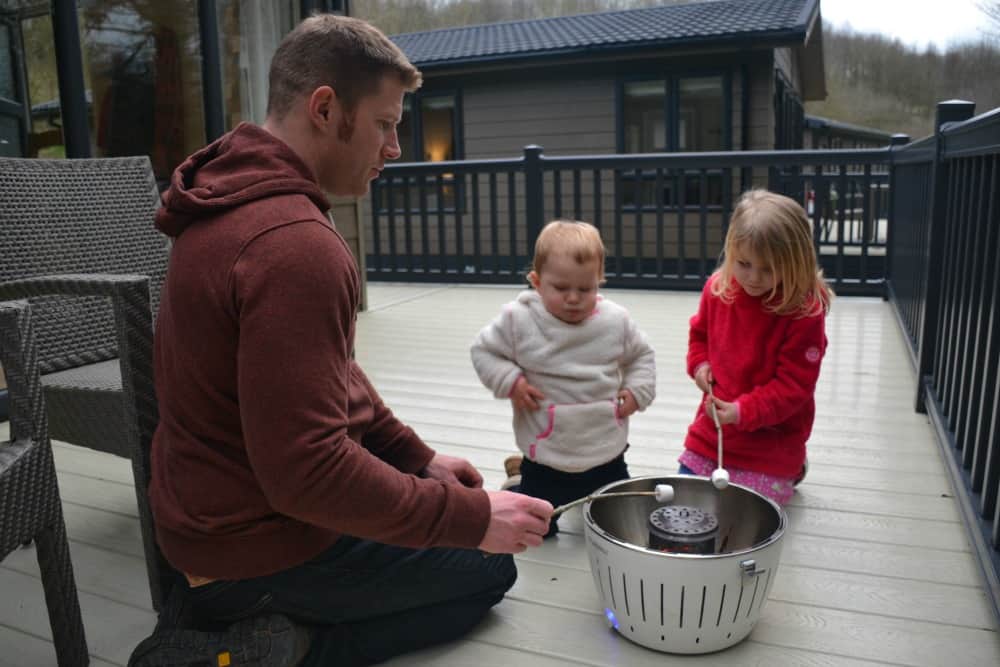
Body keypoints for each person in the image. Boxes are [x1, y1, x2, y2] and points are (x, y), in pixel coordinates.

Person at [130, 14, 552, 667]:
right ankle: (270, 647)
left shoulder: (224, 201)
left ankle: (233, 618)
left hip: (199, 522)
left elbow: (333, 373)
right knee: (488, 568)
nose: (396, 147)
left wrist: (417, 459)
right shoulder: (295, 247)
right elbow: (309, 475)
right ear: (325, 109)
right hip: (252, 547)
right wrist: (472, 519)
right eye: (384, 124)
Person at [470, 220, 656, 537]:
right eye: (560, 288)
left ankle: (554, 488)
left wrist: (638, 390)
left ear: (599, 281)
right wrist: (511, 381)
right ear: (536, 282)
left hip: (606, 451)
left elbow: (641, 356)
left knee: (617, 527)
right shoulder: (519, 319)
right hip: (546, 455)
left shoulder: (615, 321)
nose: (573, 298)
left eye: (585, 289)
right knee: (539, 529)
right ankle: (518, 484)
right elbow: (484, 351)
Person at [678, 189, 833, 505]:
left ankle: (792, 466)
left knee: (746, 511)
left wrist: (742, 411)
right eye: (744, 263)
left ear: (796, 262)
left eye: (768, 268)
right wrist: (700, 365)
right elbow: (700, 336)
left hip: (773, 437)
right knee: (686, 497)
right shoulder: (718, 289)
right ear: (732, 250)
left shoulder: (804, 312)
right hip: (715, 429)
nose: (753, 277)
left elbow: (794, 386)